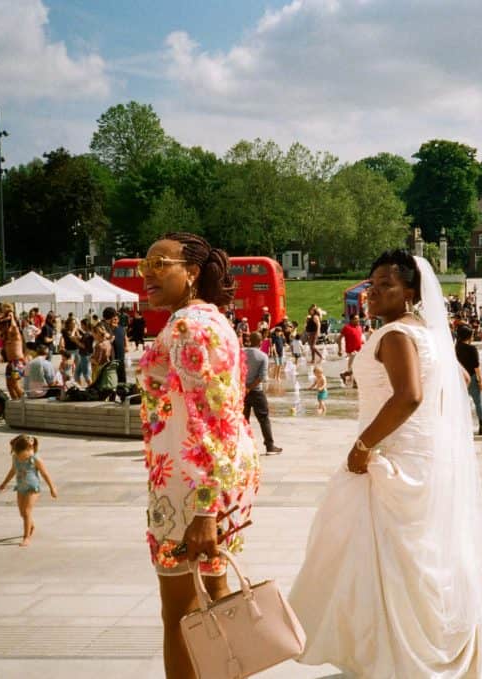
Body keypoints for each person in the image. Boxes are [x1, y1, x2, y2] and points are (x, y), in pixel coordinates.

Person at [290, 250, 482, 676]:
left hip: (390, 455)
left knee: (385, 558)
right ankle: (411, 645)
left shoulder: (396, 335)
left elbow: (409, 396)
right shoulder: (426, 334)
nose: (373, 292)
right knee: (410, 559)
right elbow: (454, 383)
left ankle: (394, 654)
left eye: (386, 285)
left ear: (410, 292)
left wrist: (363, 446)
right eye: (372, 283)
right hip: (419, 456)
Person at [136, 232, 261, 679]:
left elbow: (213, 419)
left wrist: (205, 507)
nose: (146, 275)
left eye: (158, 264)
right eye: (143, 266)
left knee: (181, 615)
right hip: (209, 479)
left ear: (190, 272)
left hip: (191, 489)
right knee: (215, 601)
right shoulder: (211, 319)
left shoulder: (190, 325)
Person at [0, 435, 57, 547]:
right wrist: (4, 483)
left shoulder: (34, 459)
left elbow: (45, 474)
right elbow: (13, 470)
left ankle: (26, 537)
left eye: (29, 450)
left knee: (27, 511)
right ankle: (30, 525)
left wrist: (52, 488)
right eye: (19, 452)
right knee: (22, 513)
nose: (26, 453)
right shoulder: (15, 457)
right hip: (21, 487)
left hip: (33, 488)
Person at [243, 331, 282, 454]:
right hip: (256, 391)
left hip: (242, 391)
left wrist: (244, 387)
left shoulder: (241, 353)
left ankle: (243, 446)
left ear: (250, 340)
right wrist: (250, 387)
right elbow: (262, 377)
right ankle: (269, 446)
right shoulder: (262, 356)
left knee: (243, 419)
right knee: (264, 419)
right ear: (260, 342)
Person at [455, 322, 482, 435]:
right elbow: (476, 367)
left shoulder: (455, 348)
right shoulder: (471, 349)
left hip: (460, 378)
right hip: (472, 377)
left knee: (462, 403)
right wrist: (480, 381)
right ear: (469, 336)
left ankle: (462, 426)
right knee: (478, 403)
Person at [337, 314, 364, 386]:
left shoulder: (359, 327)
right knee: (357, 367)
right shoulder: (347, 328)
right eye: (356, 319)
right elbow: (339, 339)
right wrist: (339, 350)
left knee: (357, 367)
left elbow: (359, 338)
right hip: (352, 351)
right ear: (351, 320)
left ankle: (345, 375)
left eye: (358, 318)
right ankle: (354, 382)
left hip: (360, 351)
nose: (358, 320)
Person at [102, 307, 127, 384]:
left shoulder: (120, 328)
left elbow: (125, 337)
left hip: (121, 358)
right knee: (111, 381)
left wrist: (126, 346)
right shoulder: (103, 328)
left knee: (122, 380)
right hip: (111, 360)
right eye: (114, 317)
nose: (115, 319)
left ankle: (123, 394)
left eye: (116, 318)